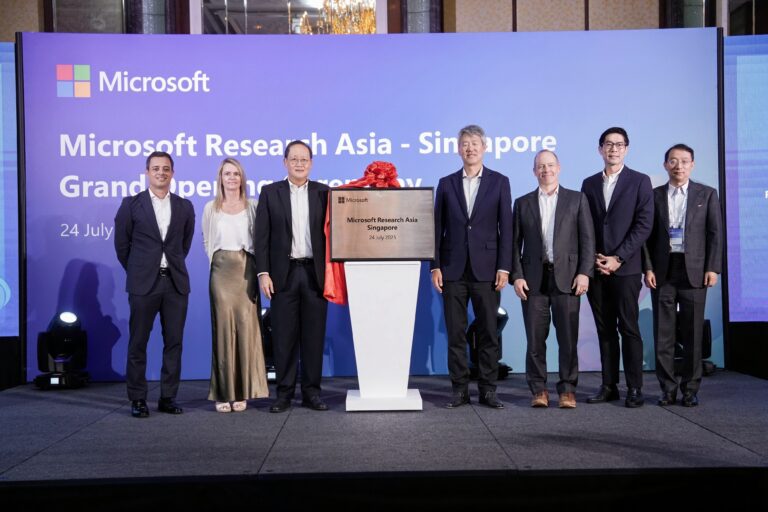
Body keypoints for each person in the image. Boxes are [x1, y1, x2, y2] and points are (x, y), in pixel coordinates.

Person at [431, 124, 513, 409]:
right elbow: (436, 228)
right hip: (452, 269)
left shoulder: (500, 182)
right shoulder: (446, 183)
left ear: (484, 147)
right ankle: (459, 389)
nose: (470, 148)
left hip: (488, 270)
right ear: (458, 148)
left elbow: (507, 228)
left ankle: (488, 390)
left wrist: (504, 267)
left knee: (489, 331)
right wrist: (435, 266)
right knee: (455, 332)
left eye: (475, 143)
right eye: (465, 143)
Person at [114, 151, 195, 418]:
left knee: (174, 343)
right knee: (138, 342)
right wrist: (139, 270)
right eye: (156, 168)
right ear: (147, 172)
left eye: (166, 168)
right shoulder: (131, 204)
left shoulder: (185, 206)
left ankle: (168, 397)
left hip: (174, 284)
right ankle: (137, 398)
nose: (161, 172)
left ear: (173, 172)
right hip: (143, 285)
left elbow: (183, 245)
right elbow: (122, 246)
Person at [512, 150, 595, 409]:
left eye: (550, 165)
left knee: (568, 338)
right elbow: (513, 245)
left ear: (559, 168)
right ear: (534, 171)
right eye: (540, 166)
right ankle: (539, 390)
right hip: (533, 280)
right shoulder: (522, 203)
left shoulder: (577, 200)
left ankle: (568, 390)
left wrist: (584, 272)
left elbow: (587, 240)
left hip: (568, 279)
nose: (545, 170)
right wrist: (517, 276)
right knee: (535, 340)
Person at [642, 144, 722, 407]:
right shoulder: (653, 196)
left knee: (693, 334)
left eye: (684, 161)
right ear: (665, 165)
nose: (679, 166)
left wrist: (713, 268)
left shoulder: (707, 194)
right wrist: (649, 268)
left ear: (693, 164)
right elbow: (646, 237)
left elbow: (715, 234)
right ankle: (667, 389)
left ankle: (690, 389)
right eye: (673, 161)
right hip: (663, 271)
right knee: (663, 334)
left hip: (696, 271)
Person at [581, 127, 653, 408]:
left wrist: (618, 257)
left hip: (626, 268)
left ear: (626, 148)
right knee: (604, 329)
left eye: (619, 144)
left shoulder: (640, 181)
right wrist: (596, 259)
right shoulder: (588, 184)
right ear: (600, 149)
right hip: (597, 267)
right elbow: (585, 225)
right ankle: (608, 385)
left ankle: (635, 387)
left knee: (629, 327)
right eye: (608, 144)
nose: (613, 149)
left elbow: (644, 224)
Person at [255, 140, 330, 413]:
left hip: (315, 274)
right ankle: (284, 394)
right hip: (282, 275)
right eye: (294, 159)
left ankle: (312, 393)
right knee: (284, 337)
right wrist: (263, 273)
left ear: (311, 163)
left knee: (313, 337)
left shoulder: (325, 193)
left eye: (304, 159)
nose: (299, 163)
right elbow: (260, 238)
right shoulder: (270, 192)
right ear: (285, 162)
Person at [202, 158, 268, 413]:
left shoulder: (253, 206)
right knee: (223, 332)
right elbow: (207, 241)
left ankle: (243, 392)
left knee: (247, 330)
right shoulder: (211, 207)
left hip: (246, 271)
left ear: (242, 178)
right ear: (220, 178)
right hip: (221, 271)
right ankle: (223, 393)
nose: (232, 178)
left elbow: (259, 240)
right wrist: (220, 261)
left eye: (236, 174)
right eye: (227, 174)